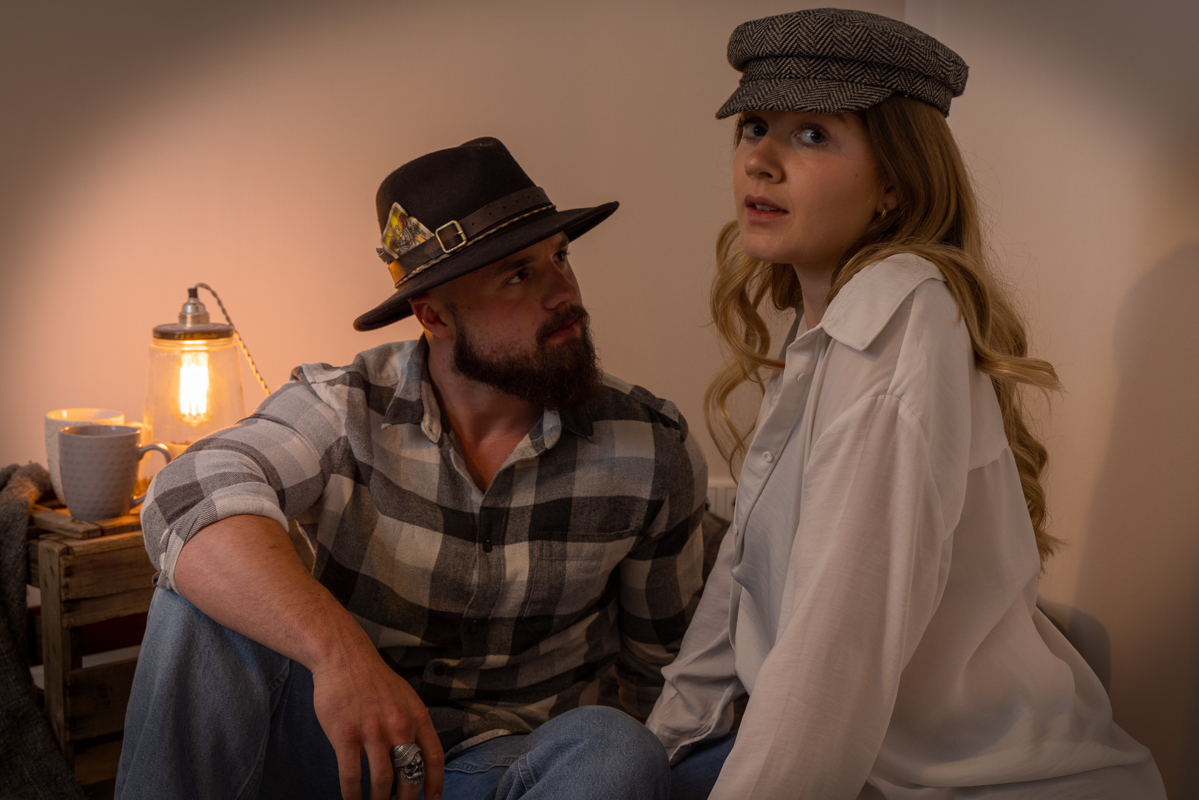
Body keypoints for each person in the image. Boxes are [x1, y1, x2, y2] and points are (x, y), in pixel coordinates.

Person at [646, 9, 1166, 799]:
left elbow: (832, 655)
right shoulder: (825, 326)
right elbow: (737, 589)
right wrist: (656, 754)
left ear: (895, 182)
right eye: (753, 126)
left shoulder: (893, 320)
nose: (760, 161)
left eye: (812, 134)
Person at [116, 137, 708, 800]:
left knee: (617, 747)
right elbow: (187, 492)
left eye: (560, 257)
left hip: (507, 772)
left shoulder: (650, 447)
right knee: (193, 605)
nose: (563, 292)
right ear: (432, 314)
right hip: (340, 755)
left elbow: (667, 678)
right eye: (518, 275)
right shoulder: (344, 408)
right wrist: (341, 654)